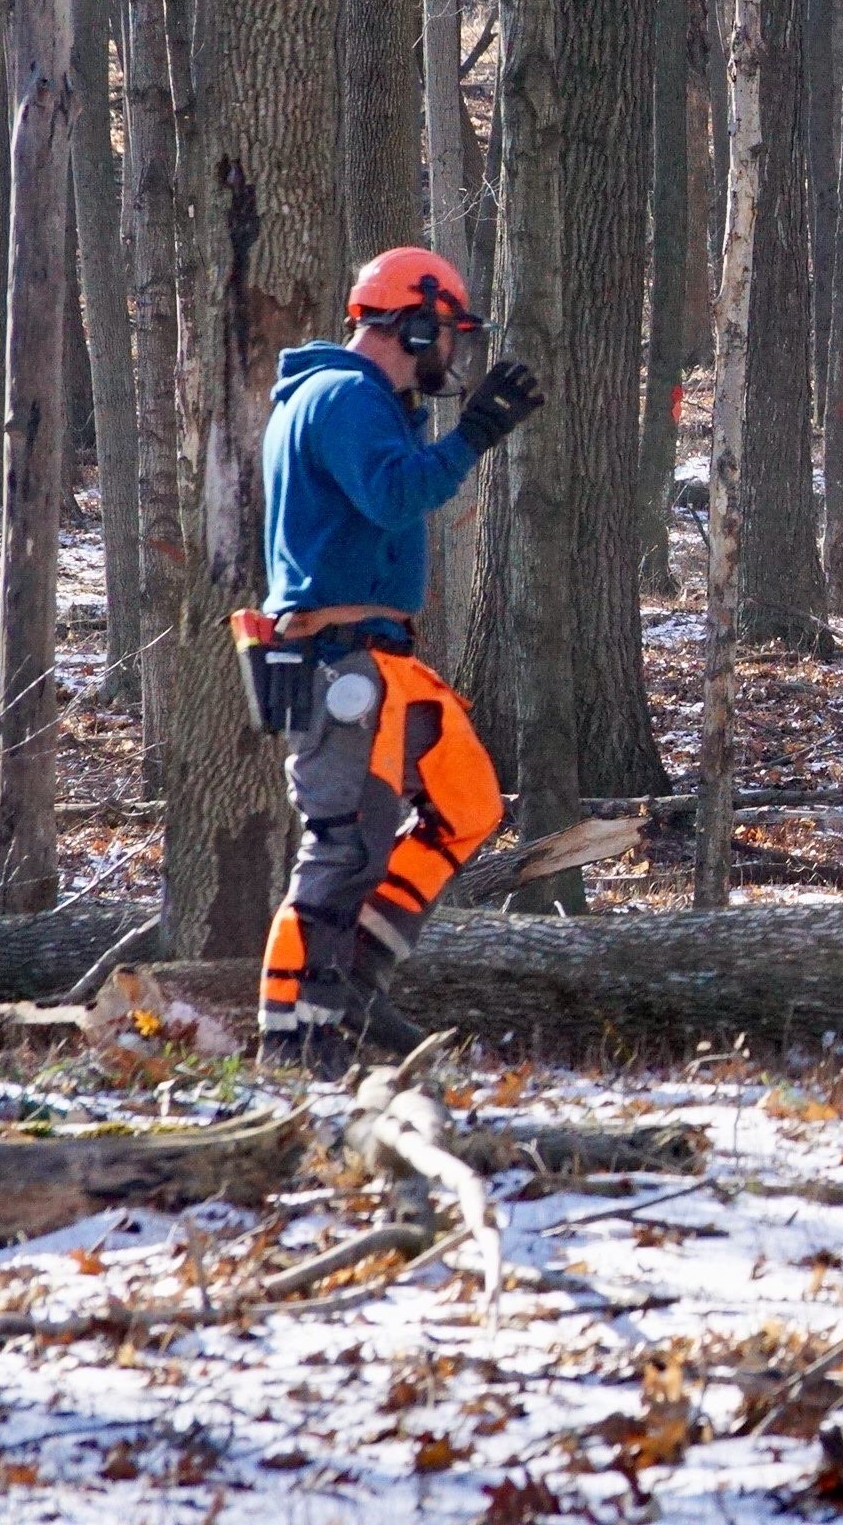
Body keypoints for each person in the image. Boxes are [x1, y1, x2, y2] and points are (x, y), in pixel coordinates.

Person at [248, 247, 545, 1074]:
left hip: (377, 660)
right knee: (340, 847)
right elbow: (393, 494)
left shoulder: (361, 402)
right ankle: (291, 1034)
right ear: (412, 324)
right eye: (447, 332)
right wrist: (475, 436)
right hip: (339, 663)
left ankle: (354, 980)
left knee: (467, 801)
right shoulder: (342, 397)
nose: (453, 352)